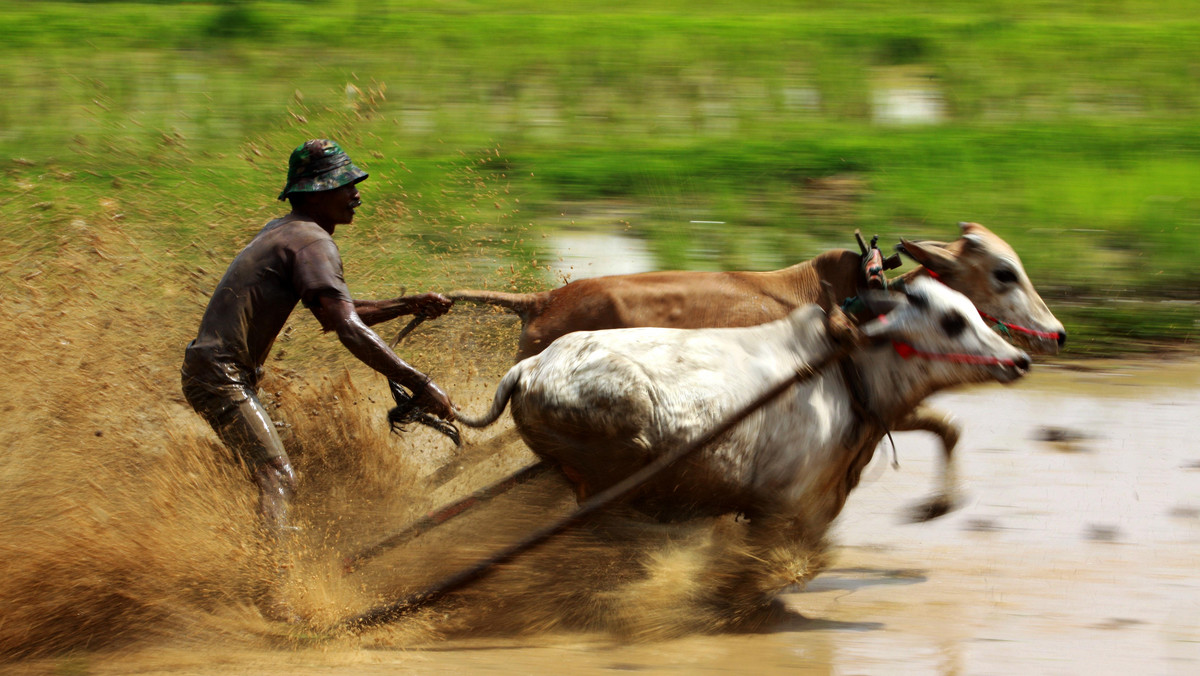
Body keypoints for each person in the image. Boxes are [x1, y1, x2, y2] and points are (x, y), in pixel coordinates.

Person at [181, 139, 455, 618]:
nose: (355, 194)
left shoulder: (290, 231)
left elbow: (338, 314)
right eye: (342, 185)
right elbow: (347, 327)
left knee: (292, 458)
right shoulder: (311, 241)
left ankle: (272, 557)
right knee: (277, 474)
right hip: (223, 377)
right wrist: (419, 382)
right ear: (311, 194)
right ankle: (273, 598)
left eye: (353, 184)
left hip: (224, 373)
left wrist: (407, 305)